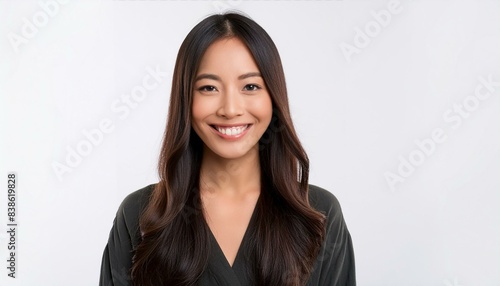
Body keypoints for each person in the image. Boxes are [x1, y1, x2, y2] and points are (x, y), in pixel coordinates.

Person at [99, 12, 355, 286]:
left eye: (250, 86)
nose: (230, 109)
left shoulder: (318, 214)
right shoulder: (141, 214)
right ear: (186, 99)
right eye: (209, 87)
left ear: (273, 98)